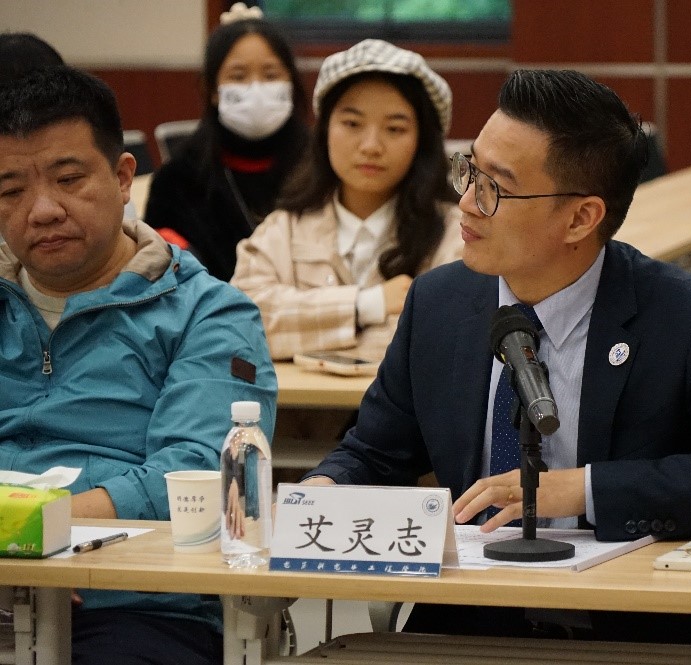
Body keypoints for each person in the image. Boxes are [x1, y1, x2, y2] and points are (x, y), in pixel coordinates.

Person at [300, 69, 691, 645]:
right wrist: (321, 490)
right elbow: (375, 452)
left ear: (581, 218)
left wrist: (586, 490)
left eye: (496, 187)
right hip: (473, 632)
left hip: (640, 637)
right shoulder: (440, 304)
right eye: (469, 170)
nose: (466, 201)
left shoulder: (690, 318)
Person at [0, 65, 277, 664]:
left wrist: (26, 534)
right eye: (10, 191)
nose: (42, 210)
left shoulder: (209, 313)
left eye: (68, 179)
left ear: (124, 177)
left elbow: (197, 475)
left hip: (135, 601)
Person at [230, 39, 462, 360]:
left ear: (422, 142)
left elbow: (448, 338)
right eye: (352, 124)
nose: (371, 146)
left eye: (395, 129)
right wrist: (367, 305)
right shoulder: (284, 227)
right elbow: (240, 323)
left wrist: (301, 332)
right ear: (325, 129)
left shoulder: (456, 233)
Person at [144, 3, 308, 281]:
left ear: (291, 83)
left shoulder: (322, 166)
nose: (256, 89)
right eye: (238, 76)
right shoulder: (177, 181)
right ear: (212, 89)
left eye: (270, 75)